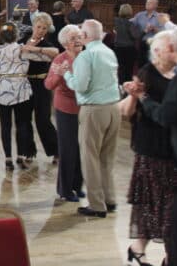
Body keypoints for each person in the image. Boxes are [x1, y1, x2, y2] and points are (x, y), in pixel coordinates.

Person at [128, 26, 177, 265]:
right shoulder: (148, 72)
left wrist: (144, 99)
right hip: (156, 151)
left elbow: (167, 115)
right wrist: (134, 97)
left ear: (172, 48)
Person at [56, 19, 121, 218]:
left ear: (85, 36)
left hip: (94, 110)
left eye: (80, 33)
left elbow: (81, 86)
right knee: (106, 158)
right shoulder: (108, 52)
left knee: (90, 158)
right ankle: (109, 199)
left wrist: (66, 74)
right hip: (113, 108)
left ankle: (96, 205)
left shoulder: (86, 56)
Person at [0, 23, 47, 170]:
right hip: (21, 89)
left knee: (5, 125)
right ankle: (20, 157)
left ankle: (8, 159)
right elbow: (44, 58)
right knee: (22, 124)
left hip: (3, 90)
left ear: (0, 36)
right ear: (16, 35)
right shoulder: (22, 49)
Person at [44, 25, 84, 202]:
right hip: (66, 107)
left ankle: (77, 185)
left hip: (85, 107)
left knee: (82, 147)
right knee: (68, 149)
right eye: (73, 38)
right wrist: (60, 75)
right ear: (65, 44)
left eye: (79, 37)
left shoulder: (86, 57)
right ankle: (65, 189)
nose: (77, 41)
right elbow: (48, 84)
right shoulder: (60, 59)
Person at [18, 12, 59, 163]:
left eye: (44, 28)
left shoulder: (46, 45)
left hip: (41, 85)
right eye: (38, 27)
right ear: (33, 26)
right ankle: (28, 151)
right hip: (24, 84)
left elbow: (56, 53)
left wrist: (36, 49)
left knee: (43, 120)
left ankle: (56, 151)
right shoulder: (22, 40)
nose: (40, 30)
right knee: (23, 119)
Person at [114, 3, 141, 87]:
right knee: (128, 70)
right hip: (128, 48)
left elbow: (115, 31)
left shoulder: (116, 21)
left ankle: (121, 86)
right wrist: (144, 31)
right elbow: (135, 35)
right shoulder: (130, 24)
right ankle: (127, 87)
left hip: (118, 48)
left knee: (121, 69)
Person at [133, 0, 163, 68]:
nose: (147, 4)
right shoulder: (139, 15)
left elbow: (163, 32)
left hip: (154, 44)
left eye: (150, 3)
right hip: (142, 43)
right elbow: (130, 24)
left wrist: (154, 28)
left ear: (156, 5)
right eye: (147, 2)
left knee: (152, 65)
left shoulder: (160, 17)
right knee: (141, 64)